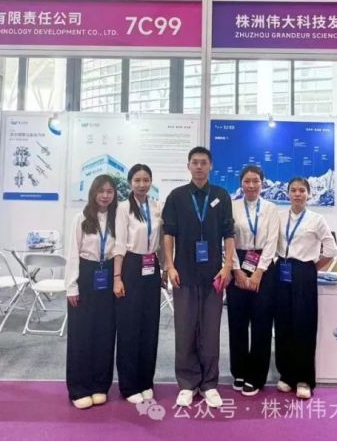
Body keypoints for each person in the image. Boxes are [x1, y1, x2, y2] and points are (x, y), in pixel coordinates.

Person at [162, 146, 235, 408]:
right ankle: (187, 383)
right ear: (188, 166)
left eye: (204, 162)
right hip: (184, 274)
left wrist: (227, 267)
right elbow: (168, 234)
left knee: (210, 331)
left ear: (211, 166)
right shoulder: (177, 196)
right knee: (185, 330)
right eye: (195, 162)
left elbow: (229, 234)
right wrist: (170, 266)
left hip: (214, 275)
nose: (199, 167)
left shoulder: (221, 196)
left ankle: (209, 384)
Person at [274, 176, 335, 400]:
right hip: (282, 271)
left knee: (304, 326)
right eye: (293, 190)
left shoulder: (317, 220)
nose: (297, 194)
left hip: (303, 273)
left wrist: (310, 268)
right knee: (283, 325)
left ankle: (304, 379)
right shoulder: (279, 217)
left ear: (308, 194)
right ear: (287, 193)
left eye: (302, 190)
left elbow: (331, 250)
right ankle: (286, 375)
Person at [65, 174, 118, 409]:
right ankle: (79, 388)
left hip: (108, 275)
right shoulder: (81, 218)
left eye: (110, 191)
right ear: (93, 193)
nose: (105, 195)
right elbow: (72, 254)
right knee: (82, 334)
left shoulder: (117, 219)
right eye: (101, 191)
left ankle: (100, 385)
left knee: (105, 334)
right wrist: (72, 286)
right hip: (86, 276)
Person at [228, 165, 279, 397]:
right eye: (247, 181)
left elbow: (272, 241)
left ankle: (256, 376)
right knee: (237, 322)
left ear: (262, 183)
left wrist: (259, 272)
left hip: (263, 266)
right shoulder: (232, 206)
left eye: (255, 181)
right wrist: (236, 270)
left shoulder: (271, 208)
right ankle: (239, 371)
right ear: (241, 183)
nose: (251, 185)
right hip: (237, 261)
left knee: (261, 323)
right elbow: (227, 239)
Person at [113, 164, 162, 404]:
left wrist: (165, 268)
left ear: (151, 181)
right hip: (131, 266)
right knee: (129, 327)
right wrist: (117, 277)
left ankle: (145, 381)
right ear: (130, 182)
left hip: (152, 266)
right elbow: (119, 244)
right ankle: (129, 385)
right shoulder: (123, 208)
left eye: (146, 180)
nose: (142, 184)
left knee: (150, 326)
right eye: (137, 180)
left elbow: (161, 240)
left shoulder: (156, 206)